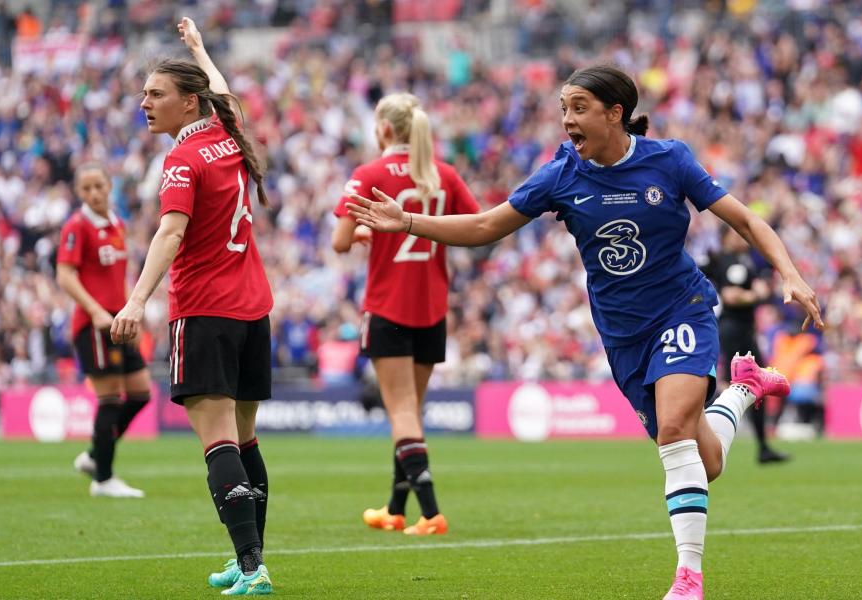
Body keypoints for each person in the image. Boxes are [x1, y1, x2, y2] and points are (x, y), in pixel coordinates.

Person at [347, 65, 825, 600]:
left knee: (673, 433)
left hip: (682, 309)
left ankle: (688, 578)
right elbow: (485, 226)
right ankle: (744, 389)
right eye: (563, 109)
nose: (566, 120)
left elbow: (747, 221)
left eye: (578, 108)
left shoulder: (670, 160)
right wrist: (407, 222)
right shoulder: (560, 176)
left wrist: (791, 273)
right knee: (705, 460)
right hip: (622, 336)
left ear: (614, 113)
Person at [110, 18, 273, 595]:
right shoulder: (228, 133)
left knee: (218, 443)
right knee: (245, 440)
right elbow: (225, 91)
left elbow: (170, 234)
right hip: (253, 308)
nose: (144, 103)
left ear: (187, 103)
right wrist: (200, 50)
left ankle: (252, 568)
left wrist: (135, 299)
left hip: (204, 311)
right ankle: (251, 559)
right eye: (143, 93)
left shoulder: (182, 160)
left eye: (156, 95)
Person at [332, 92, 479, 535]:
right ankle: (396, 508)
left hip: (387, 305)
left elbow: (339, 241)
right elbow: (474, 226)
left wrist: (360, 232)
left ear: (383, 130)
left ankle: (431, 513)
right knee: (411, 411)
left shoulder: (369, 174)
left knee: (400, 413)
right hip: (431, 306)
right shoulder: (444, 175)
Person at [56, 163, 151, 498]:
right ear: (79, 193)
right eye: (86, 189)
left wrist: (131, 313)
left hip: (118, 319)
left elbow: (118, 278)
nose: (94, 193)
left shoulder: (117, 224)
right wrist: (95, 311)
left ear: (109, 186)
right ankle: (104, 479)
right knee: (109, 398)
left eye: (99, 186)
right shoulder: (77, 226)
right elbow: (65, 275)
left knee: (141, 393)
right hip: (94, 324)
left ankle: (96, 455)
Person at [704, 227, 791, 463]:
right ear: (727, 239)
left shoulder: (738, 260)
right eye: (737, 234)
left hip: (742, 330)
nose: (744, 237)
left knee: (749, 384)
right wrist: (757, 295)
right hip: (735, 330)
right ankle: (707, 435)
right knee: (746, 383)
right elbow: (731, 295)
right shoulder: (734, 263)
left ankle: (761, 445)